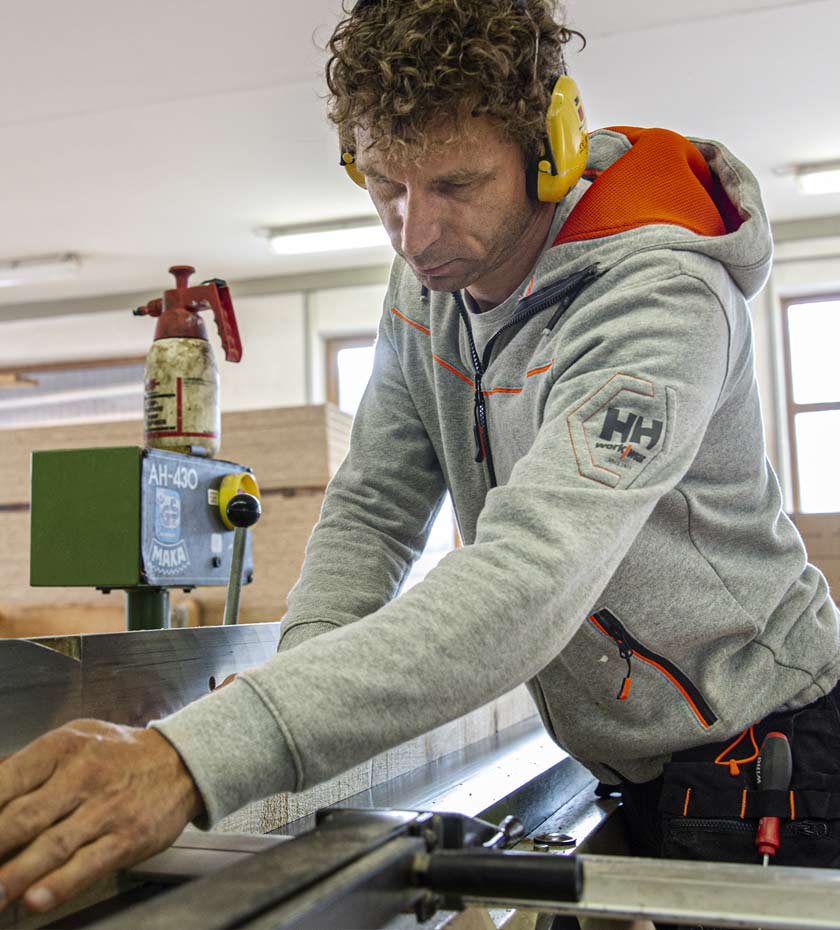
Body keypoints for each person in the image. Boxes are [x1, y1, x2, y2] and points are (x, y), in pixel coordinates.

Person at [1, 0, 839, 918]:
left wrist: (193, 757)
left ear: (548, 149)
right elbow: (374, 505)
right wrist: (296, 699)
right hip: (631, 760)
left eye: (457, 185)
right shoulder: (425, 287)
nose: (415, 234)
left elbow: (531, 579)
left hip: (766, 761)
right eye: (386, 187)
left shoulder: (659, 299)